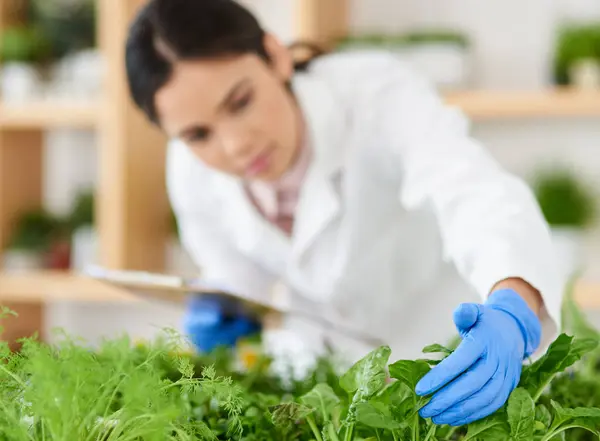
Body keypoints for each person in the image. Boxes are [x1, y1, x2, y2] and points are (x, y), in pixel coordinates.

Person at [124, 0, 565, 427]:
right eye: (199, 134)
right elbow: (235, 267)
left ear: (274, 56)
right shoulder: (189, 168)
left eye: (240, 102)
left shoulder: (374, 93)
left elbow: (473, 192)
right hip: (324, 380)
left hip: (450, 354)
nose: (235, 145)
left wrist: (511, 308)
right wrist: (225, 305)